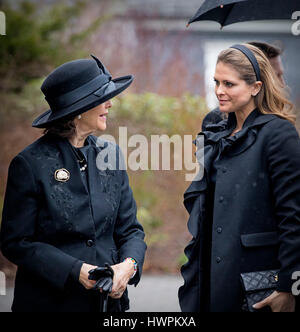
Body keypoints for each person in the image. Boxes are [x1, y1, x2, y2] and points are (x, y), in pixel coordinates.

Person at [0, 55, 147, 312]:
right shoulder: (29, 164)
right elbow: (16, 242)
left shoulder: (110, 156)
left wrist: (129, 265)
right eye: (102, 98)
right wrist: (75, 270)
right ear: (78, 109)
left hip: (108, 305)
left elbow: (131, 229)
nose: (110, 104)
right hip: (50, 303)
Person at [179, 43, 300, 312]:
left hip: (256, 283)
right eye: (216, 82)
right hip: (211, 273)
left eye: (229, 84)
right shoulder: (217, 132)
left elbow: (293, 218)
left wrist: (287, 286)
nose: (219, 91)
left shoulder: (279, 134)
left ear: (256, 87)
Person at [202, 41, 285, 131]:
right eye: (276, 76)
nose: (282, 83)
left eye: (228, 84)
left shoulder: (280, 130)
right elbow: (200, 144)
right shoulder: (211, 122)